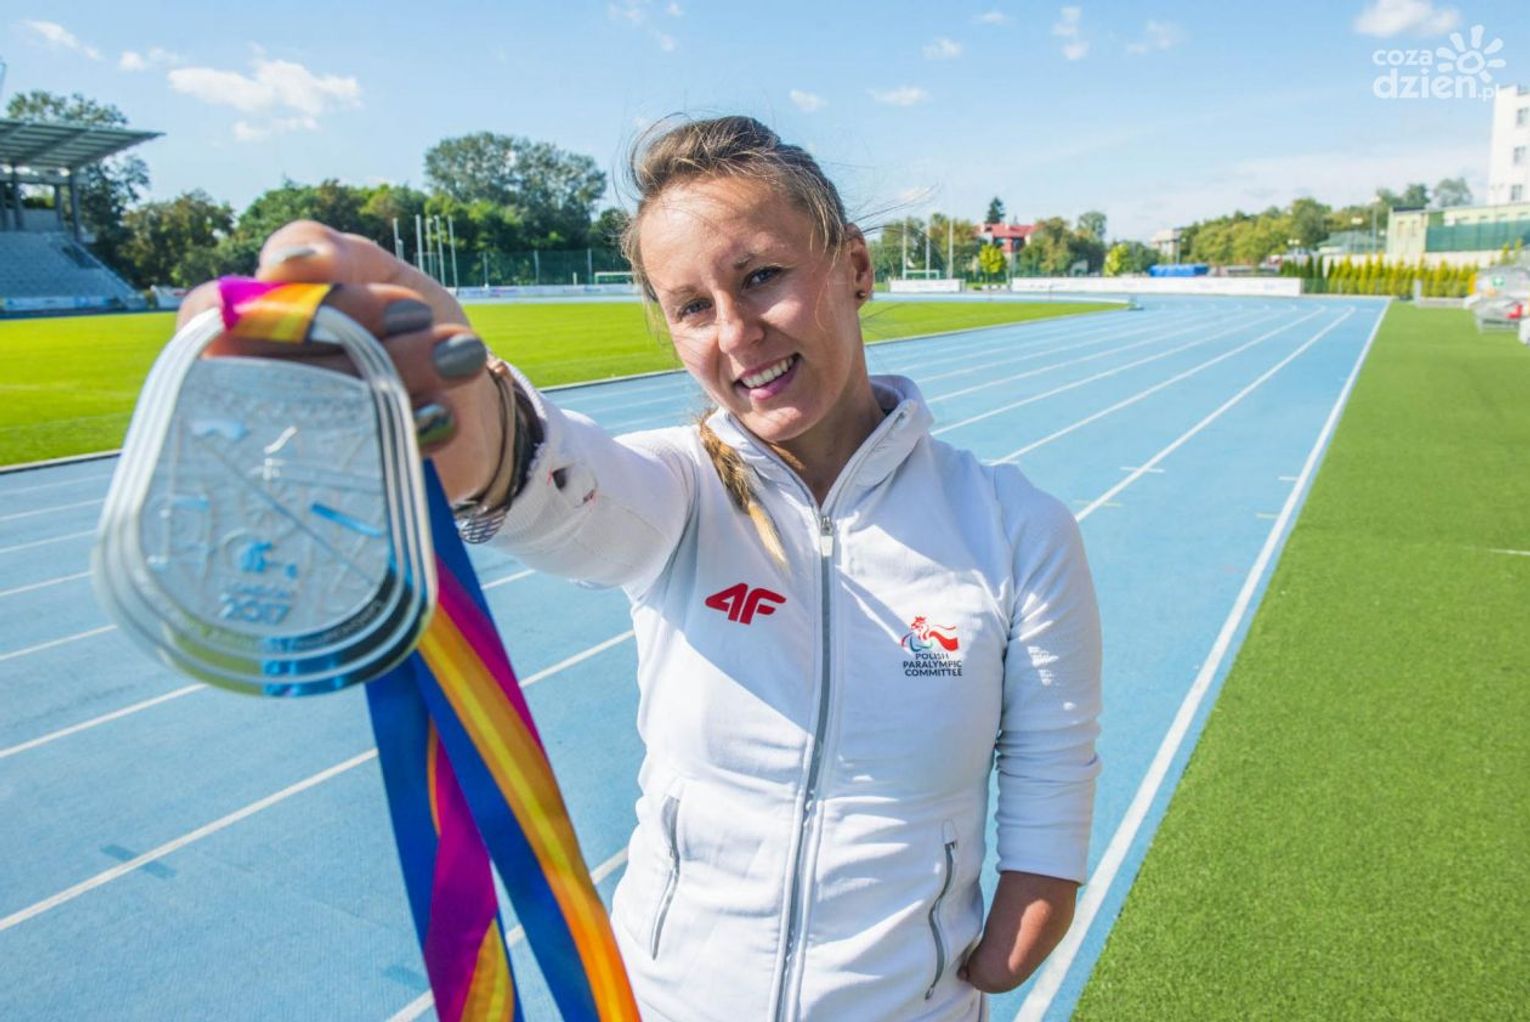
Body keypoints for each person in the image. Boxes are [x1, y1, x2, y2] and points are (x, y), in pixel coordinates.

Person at [180, 115, 1101, 1022]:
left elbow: (1051, 755)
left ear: (854, 266)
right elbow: (556, 486)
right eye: (692, 307)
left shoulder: (1013, 525)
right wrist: (462, 409)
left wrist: (1039, 887)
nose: (735, 333)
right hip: (663, 1003)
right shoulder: (679, 486)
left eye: (762, 276)